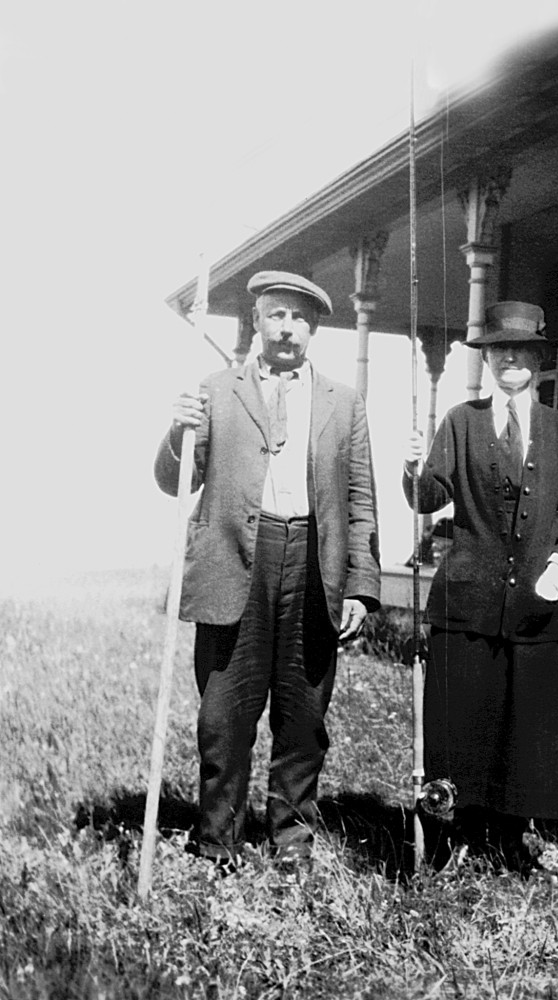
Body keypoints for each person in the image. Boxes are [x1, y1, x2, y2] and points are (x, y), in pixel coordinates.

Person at [155, 270, 381, 865]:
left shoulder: (344, 401)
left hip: (312, 565)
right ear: (256, 321)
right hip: (235, 567)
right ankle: (216, 843)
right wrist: (178, 432)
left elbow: (361, 499)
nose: (287, 329)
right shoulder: (214, 390)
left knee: (303, 715)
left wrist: (361, 586)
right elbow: (174, 479)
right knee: (224, 714)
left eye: (300, 319)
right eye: (276, 315)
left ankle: (292, 843)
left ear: (315, 329)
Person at [403, 301, 558, 870]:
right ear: (486, 358)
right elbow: (427, 498)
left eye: (523, 349)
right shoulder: (461, 421)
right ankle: (460, 831)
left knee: (531, 722)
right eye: (499, 348)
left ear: (538, 358)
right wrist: (414, 467)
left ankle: (514, 835)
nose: (511, 357)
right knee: (464, 718)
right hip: (469, 601)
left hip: (542, 608)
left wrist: (556, 568)